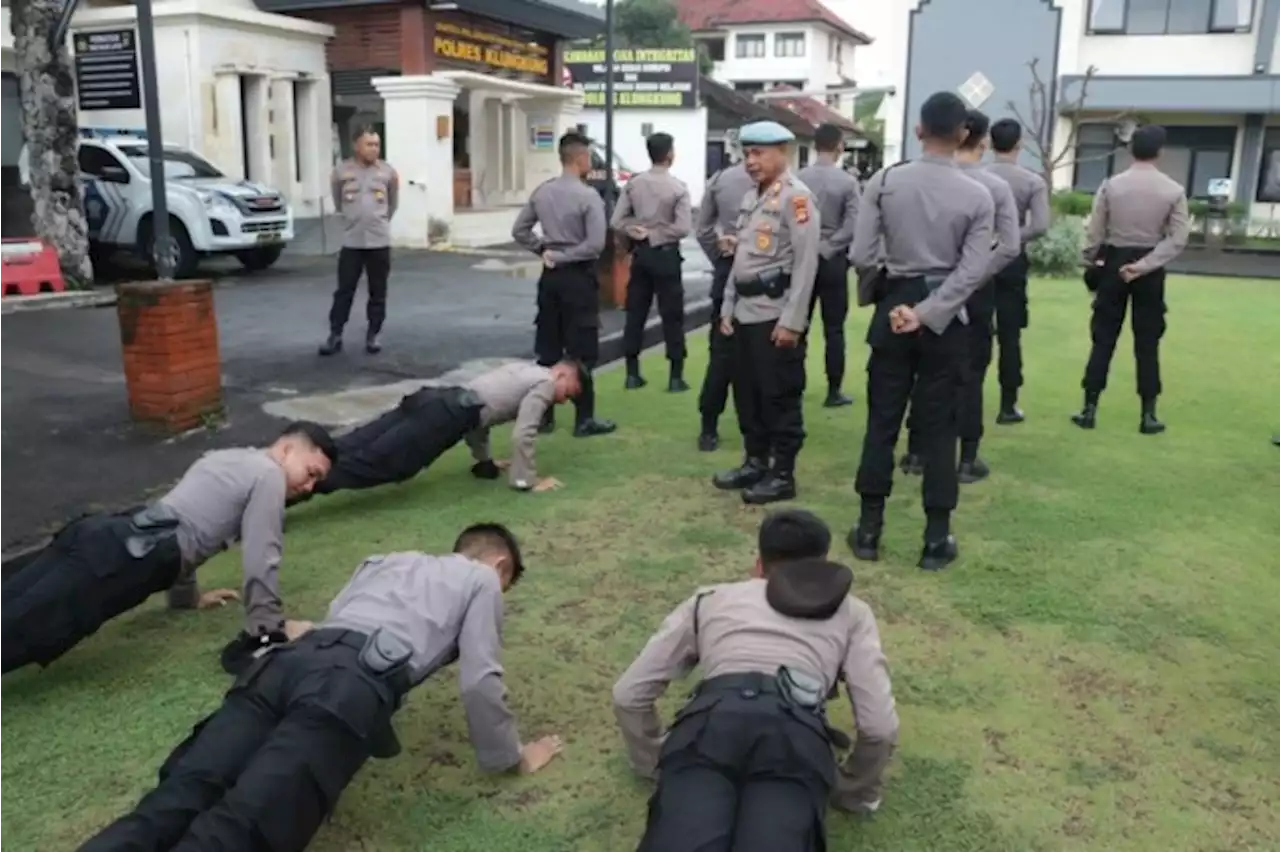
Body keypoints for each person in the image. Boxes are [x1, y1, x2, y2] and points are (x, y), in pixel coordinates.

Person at [77, 524, 565, 852]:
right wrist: (512, 756)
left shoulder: (385, 560)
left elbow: (331, 620)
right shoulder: (481, 581)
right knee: (242, 823)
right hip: (349, 686)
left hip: (285, 666)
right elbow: (480, 679)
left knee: (183, 791)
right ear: (499, 565)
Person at [613, 510, 899, 851]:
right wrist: (853, 791)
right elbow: (880, 727)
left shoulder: (710, 599)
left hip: (709, 725)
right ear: (824, 565)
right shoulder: (852, 612)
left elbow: (629, 694)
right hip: (795, 737)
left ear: (758, 564)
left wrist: (654, 762)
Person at [0, 423, 337, 676]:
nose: (308, 487)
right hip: (123, 558)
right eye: (311, 473)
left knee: (13, 600)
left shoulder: (229, 457)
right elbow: (262, 555)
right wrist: (269, 632)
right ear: (286, 449)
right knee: (32, 625)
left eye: (316, 483)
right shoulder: (269, 477)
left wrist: (186, 598)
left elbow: (181, 521)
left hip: (101, 533)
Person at [846, 92, 994, 571]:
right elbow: (973, 271)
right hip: (948, 317)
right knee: (940, 428)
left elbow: (863, 254)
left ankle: (869, 530)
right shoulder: (978, 195)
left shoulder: (885, 182)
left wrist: (892, 299)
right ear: (965, 134)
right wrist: (931, 312)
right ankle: (935, 538)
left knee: (882, 421)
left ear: (917, 130)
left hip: (894, 304)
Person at [900, 109, 1020, 483]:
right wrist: (974, 275)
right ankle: (966, 457)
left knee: (922, 368)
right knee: (969, 373)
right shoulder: (992, 187)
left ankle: (917, 451)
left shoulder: (914, 177)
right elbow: (1010, 246)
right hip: (972, 292)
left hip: (922, 286)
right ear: (980, 140)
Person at [712, 121, 821, 505]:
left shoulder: (798, 199)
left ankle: (782, 473)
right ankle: (755, 460)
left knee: (779, 397)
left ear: (783, 152)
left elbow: (807, 266)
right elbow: (741, 256)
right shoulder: (752, 197)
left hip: (775, 317)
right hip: (744, 312)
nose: (750, 162)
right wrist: (727, 305)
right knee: (748, 394)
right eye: (746, 153)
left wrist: (792, 321)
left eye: (758, 153)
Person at [300, 361, 586, 499]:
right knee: (378, 463)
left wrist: (484, 462)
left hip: (432, 399)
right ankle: (288, 489)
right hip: (443, 416)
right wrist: (527, 481)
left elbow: (480, 413)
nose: (563, 400)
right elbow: (524, 432)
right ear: (560, 373)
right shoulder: (545, 384)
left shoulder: (524, 369)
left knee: (356, 442)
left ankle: (284, 466)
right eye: (568, 392)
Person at [1073, 124, 1190, 434]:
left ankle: (1089, 407)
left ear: (1130, 149)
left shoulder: (1111, 186)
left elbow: (1094, 233)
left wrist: (1092, 262)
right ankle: (1148, 414)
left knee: (1103, 337)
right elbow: (1178, 238)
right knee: (1148, 340)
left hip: (1114, 261)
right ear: (1160, 152)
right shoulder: (1172, 190)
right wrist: (1145, 265)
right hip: (1150, 267)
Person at [512, 131, 617, 438]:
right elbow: (596, 245)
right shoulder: (588, 197)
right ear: (580, 158)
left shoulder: (543, 192)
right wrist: (565, 255)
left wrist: (544, 250)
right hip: (578, 277)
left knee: (548, 347)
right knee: (582, 348)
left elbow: (520, 230)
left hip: (551, 276)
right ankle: (584, 418)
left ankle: (543, 415)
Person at [614, 132, 694, 392]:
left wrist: (635, 229)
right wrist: (657, 233)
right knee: (672, 315)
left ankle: (632, 372)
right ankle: (675, 376)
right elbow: (683, 227)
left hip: (641, 254)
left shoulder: (634, 184)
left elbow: (616, 221)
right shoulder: (678, 188)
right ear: (670, 154)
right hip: (667, 255)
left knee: (635, 312)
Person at [985, 119, 1051, 423]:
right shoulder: (1031, 181)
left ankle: (963, 394)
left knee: (974, 329)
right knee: (1010, 335)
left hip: (979, 256)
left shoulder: (977, 176)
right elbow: (1039, 225)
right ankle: (1008, 404)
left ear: (990, 142)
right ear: (1019, 144)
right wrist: (1012, 237)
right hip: (1012, 261)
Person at [320, 127, 399, 357]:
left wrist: (378, 221)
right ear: (356, 145)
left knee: (378, 291)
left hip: (379, 242)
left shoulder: (388, 172)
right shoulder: (341, 171)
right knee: (344, 291)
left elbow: (392, 205)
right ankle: (335, 335)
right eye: (369, 144)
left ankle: (374, 334)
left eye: (376, 144)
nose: (374, 148)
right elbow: (338, 201)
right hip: (352, 242)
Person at [797, 122, 861, 408]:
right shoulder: (847, 182)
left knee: (798, 324)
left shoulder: (798, 179)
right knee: (834, 328)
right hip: (833, 260)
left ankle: (792, 385)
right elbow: (853, 225)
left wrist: (809, 245)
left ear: (814, 145)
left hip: (802, 258)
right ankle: (834, 390)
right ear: (839, 147)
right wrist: (829, 246)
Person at [693, 154, 754, 452]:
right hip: (763, 273)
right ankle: (758, 430)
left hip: (727, 265)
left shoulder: (720, 180)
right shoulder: (784, 182)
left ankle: (709, 427)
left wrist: (719, 258)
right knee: (762, 356)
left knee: (721, 353)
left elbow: (703, 229)